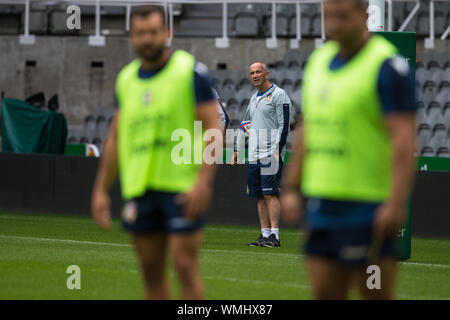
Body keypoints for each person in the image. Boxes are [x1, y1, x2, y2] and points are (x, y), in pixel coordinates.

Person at [281, 0, 416, 299]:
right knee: (325, 294)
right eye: (329, 17)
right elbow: (308, 128)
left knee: (375, 294)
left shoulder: (387, 66)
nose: (335, 25)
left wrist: (396, 203)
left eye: (343, 17)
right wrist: (291, 186)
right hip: (322, 208)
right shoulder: (318, 61)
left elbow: (404, 141)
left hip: (368, 210)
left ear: (364, 15)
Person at [91, 5, 220, 300]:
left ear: (167, 33)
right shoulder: (126, 80)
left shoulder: (191, 73)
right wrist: (100, 190)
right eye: (140, 33)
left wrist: (203, 181)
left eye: (153, 32)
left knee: (185, 266)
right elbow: (116, 137)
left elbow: (213, 127)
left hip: (182, 188)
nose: (147, 39)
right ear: (131, 36)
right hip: (140, 189)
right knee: (150, 271)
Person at [231, 62, 291, 248]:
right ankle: (264, 235)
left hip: (269, 154)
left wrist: (276, 150)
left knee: (270, 194)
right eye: (251, 73)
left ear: (267, 73)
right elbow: (245, 124)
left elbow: (284, 124)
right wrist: (237, 149)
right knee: (258, 195)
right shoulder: (253, 98)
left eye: (258, 72)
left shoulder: (279, 95)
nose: (255, 75)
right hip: (253, 155)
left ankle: (275, 235)